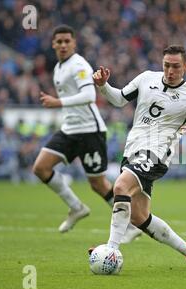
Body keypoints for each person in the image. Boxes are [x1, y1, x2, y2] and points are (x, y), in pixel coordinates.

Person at [91, 45, 186, 268]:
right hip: (133, 150)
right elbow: (119, 99)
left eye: (175, 66)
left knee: (120, 187)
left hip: (157, 154)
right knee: (139, 216)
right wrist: (103, 86)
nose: (170, 71)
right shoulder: (146, 78)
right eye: (166, 65)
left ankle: (111, 250)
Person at [32, 25, 142, 240]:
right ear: (53, 44)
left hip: (90, 131)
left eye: (67, 41)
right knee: (41, 168)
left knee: (98, 184)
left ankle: (129, 225)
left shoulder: (79, 65)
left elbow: (90, 95)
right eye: (59, 41)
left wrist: (58, 102)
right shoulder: (59, 67)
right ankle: (76, 207)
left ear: (74, 43)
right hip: (70, 129)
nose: (63, 45)